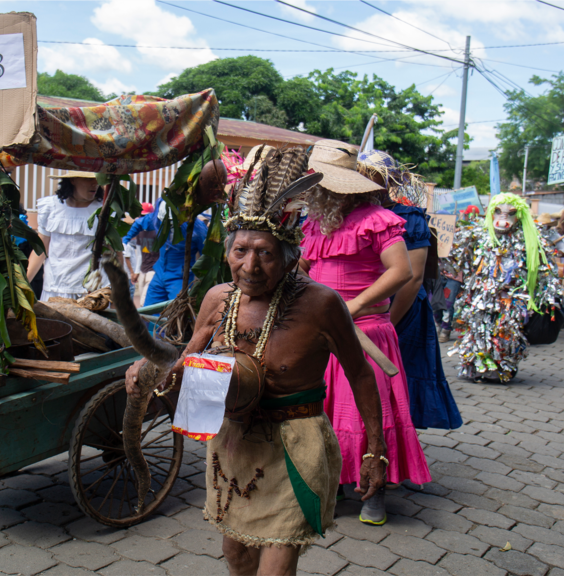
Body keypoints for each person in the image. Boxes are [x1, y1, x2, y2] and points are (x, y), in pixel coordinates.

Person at [123, 144, 387, 576]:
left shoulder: (321, 305)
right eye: (240, 251)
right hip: (234, 449)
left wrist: (376, 451)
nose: (250, 266)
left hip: (294, 448)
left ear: (289, 257)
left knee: (276, 568)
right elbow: (186, 363)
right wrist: (149, 374)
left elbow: (360, 374)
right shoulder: (217, 299)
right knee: (237, 557)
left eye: (264, 253)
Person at [301, 141, 431, 526]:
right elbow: (304, 270)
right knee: (326, 411)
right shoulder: (315, 223)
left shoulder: (378, 219)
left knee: (367, 413)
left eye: (320, 184)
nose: (314, 191)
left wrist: (351, 308)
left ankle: (375, 495)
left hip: (368, 333)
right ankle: (340, 482)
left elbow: (401, 272)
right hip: (325, 332)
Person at [357, 150, 462, 432]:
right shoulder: (351, 214)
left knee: (396, 376)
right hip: (364, 310)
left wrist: (389, 323)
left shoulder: (410, 217)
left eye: (375, 178)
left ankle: (396, 442)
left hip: (402, 310)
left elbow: (412, 278)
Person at [449, 194, 564, 382]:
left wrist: (541, 297)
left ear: (518, 216)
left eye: (510, 213)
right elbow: (457, 257)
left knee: (505, 334)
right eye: (498, 212)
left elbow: (544, 272)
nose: (503, 218)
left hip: (512, 299)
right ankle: (476, 367)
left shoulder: (530, 239)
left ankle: (500, 369)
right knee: (479, 331)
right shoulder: (478, 234)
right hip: (482, 296)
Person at [26, 172, 105, 300]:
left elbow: (114, 254)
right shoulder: (51, 207)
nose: (94, 184)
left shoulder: (104, 211)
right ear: (73, 179)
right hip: (54, 288)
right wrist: (23, 284)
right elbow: (41, 249)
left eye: (97, 179)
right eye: (87, 179)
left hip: (90, 292)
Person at [123, 200, 206, 306]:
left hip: (180, 277)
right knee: (149, 310)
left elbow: (206, 255)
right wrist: (126, 239)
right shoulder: (157, 219)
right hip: (159, 273)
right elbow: (140, 223)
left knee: (177, 312)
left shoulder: (197, 229)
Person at [122, 203, 159, 307]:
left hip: (154, 271)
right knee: (143, 302)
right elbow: (139, 255)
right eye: (142, 216)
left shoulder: (159, 232)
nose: (143, 219)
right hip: (143, 270)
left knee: (145, 302)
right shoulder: (139, 232)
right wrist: (136, 272)